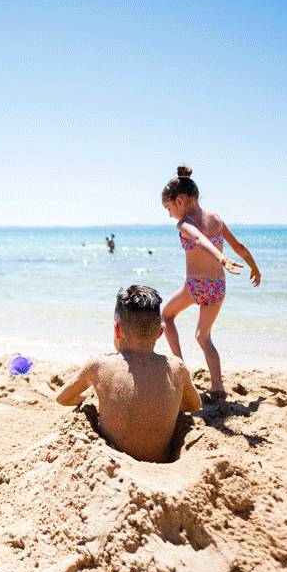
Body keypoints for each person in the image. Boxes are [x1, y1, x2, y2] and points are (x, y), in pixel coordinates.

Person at [56, 285, 201, 462]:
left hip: (114, 464)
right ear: (160, 332)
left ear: (117, 329)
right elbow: (194, 405)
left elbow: (62, 398)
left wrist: (84, 399)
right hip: (161, 463)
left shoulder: (98, 365)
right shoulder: (177, 368)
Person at [160, 165, 261, 400]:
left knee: (165, 316)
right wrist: (254, 267)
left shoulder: (184, 223)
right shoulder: (215, 218)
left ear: (180, 201)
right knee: (203, 336)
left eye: (169, 208)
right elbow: (239, 246)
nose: (170, 214)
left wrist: (219, 256)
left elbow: (198, 237)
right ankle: (218, 387)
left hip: (196, 285)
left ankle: (180, 370)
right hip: (218, 287)